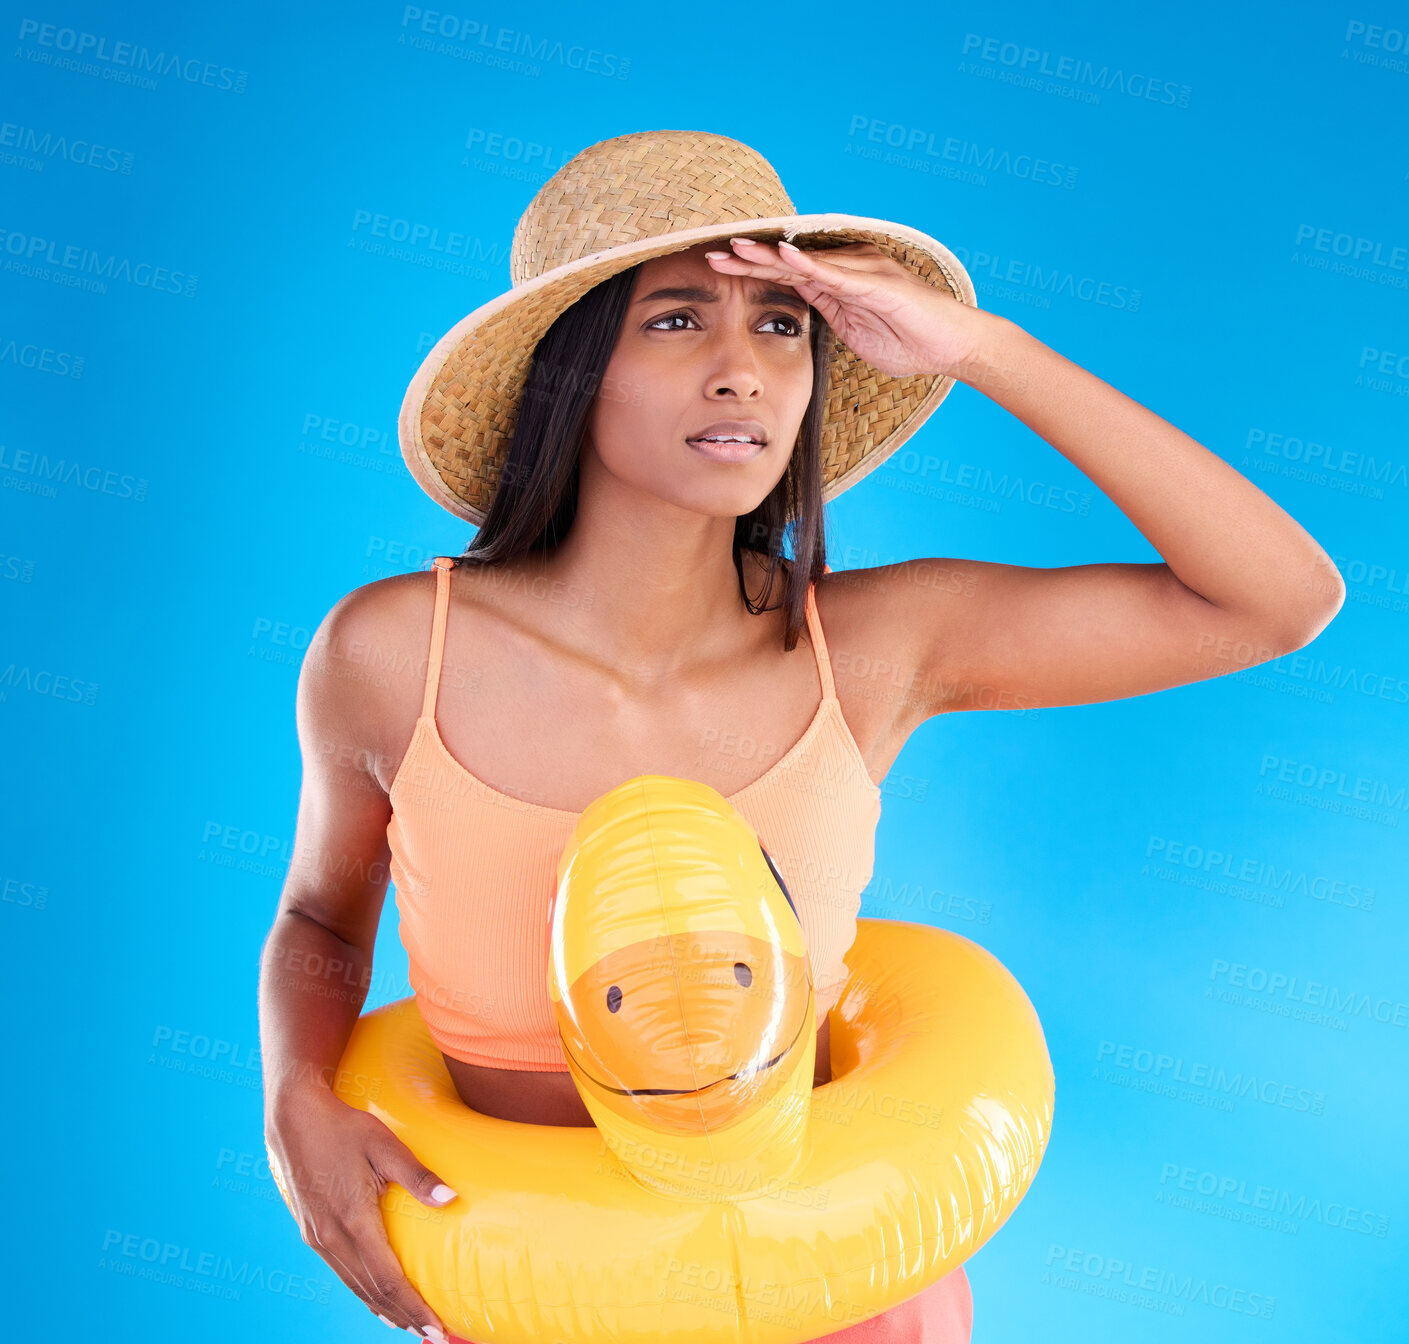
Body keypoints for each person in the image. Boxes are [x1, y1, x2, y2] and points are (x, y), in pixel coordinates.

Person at [258, 129, 1345, 1344]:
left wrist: (981, 348)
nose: (746, 373)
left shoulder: (877, 648)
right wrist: (292, 1097)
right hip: (532, 1290)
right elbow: (318, 920)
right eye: (677, 320)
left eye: (782, 325)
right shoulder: (395, 651)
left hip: (844, 1301)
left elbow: (1278, 599)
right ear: (572, 372)